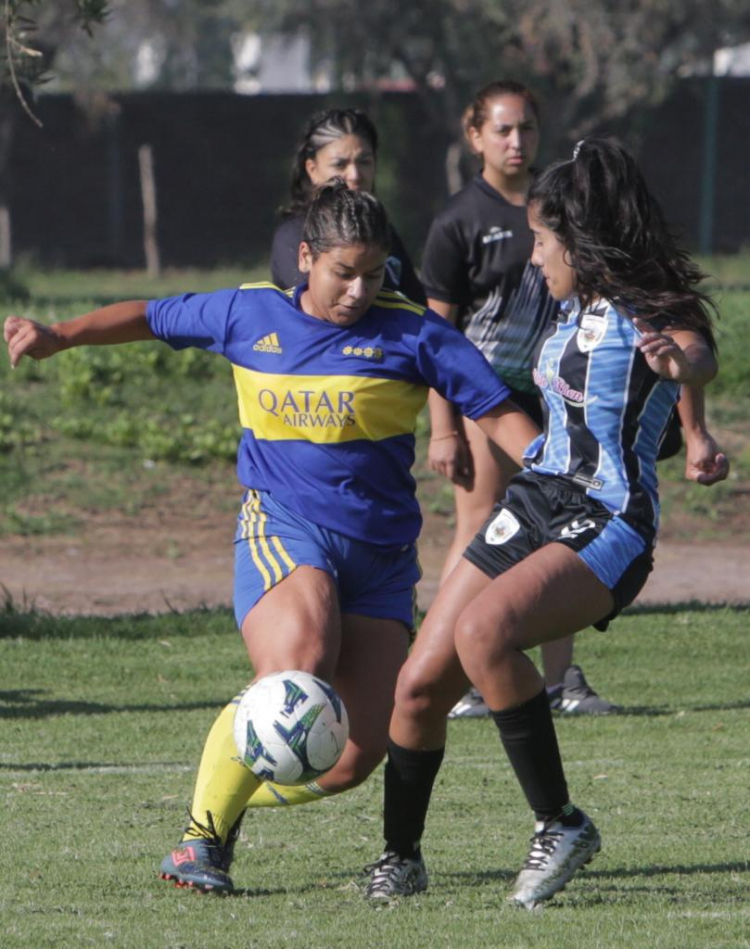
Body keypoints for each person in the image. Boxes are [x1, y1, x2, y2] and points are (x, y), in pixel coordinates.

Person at [4, 181, 539, 894]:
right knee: (298, 667)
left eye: (373, 273)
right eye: (343, 272)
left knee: (355, 754)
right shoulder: (247, 311)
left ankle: (219, 803)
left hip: (379, 558)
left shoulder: (414, 333)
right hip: (285, 527)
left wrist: (560, 469)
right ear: (307, 258)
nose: (357, 290)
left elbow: (498, 411)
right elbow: (152, 316)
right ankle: (202, 842)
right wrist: (61, 335)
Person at [363, 137, 728, 909]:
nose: (534, 257)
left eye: (542, 239)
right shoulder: (574, 306)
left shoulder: (656, 312)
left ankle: (559, 823)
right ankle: (401, 857)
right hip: (534, 499)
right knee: (419, 686)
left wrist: (682, 377)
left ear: (580, 238)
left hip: (609, 517)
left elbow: (697, 355)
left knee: (485, 632)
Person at [421, 80, 615, 718]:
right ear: (473, 136)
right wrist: (444, 428)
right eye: (501, 129)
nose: (515, 141)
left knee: (559, 531)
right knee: (479, 527)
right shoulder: (458, 221)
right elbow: (437, 336)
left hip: (554, 397)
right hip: (485, 400)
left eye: (526, 128)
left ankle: (562, 682)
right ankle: (457, 677)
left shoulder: (558, 210)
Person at [270, 107, 426, 306]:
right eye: (339, 165)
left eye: (364, 162)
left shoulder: (381, 232)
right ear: (312, 169)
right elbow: (325, 315)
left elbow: (418, 307)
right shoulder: (294, 235)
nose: (355, 175)